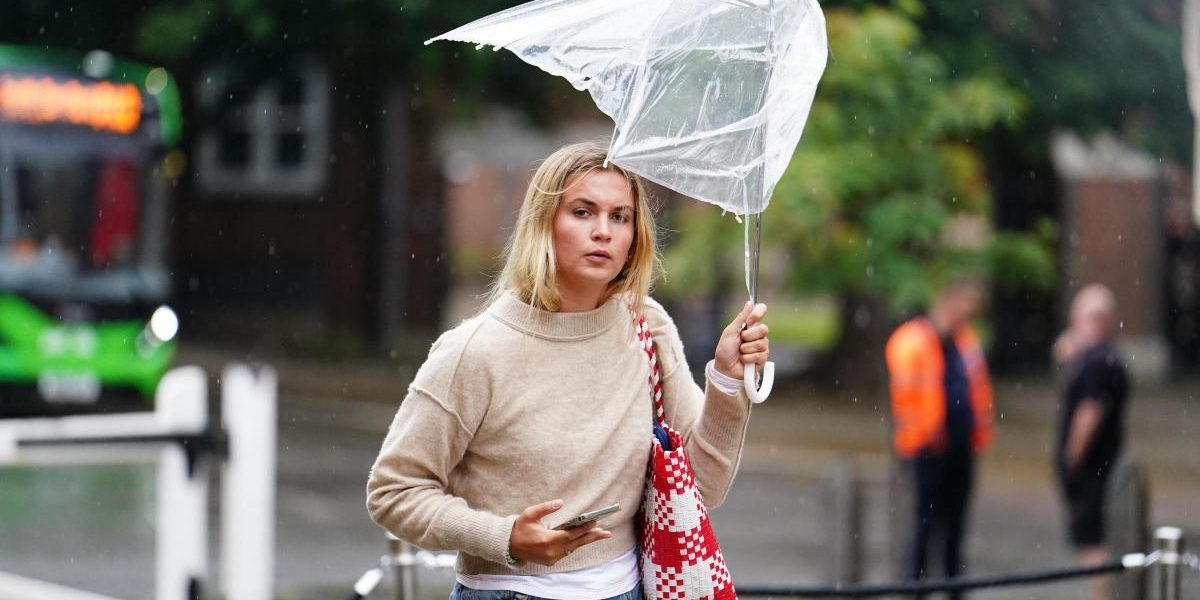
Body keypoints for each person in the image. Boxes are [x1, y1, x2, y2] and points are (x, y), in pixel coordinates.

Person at [366, 141, 770, 600]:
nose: (603, 232)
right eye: (583, 212)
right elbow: (393, 491)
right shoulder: (475, 351)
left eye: (620, 217)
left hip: (631, 589)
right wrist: (504, 538)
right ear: (544, 223)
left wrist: (726, 380)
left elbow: (704, 488)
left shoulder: (646, 327)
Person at [884, 280, 994, 597]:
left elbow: (977, 389)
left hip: (961, 446)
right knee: (924, 526)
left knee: (955, 528)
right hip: (927, 449)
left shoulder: (966, 342)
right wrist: (924, 431)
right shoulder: (913, 341)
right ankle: (916, 590)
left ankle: (953, 590)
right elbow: (907, 393)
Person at [1051, 284, 1129, 600]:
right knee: (1098, 541)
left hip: (1091, 470)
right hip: (1103, 464)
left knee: (1093, 545)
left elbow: (1089, 413)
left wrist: (1071, 459)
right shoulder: (1106, 358)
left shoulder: (1097, 362)